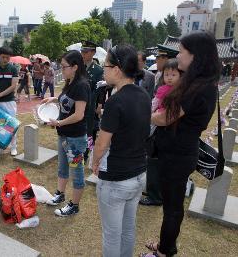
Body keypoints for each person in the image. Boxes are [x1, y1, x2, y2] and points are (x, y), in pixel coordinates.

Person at [141, 32, 220, 257]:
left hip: (178, 155)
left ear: (195, 56)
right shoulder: (195, 82)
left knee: (172, 209)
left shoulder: (200, 87)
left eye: (183, 51)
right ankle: (166, 245)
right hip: (175, 151)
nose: (179, 55)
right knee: (171, 206)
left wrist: (145, 113)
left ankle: (165, 252)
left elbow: (166, 117)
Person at [92, 45, 150, 257]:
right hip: (138, 175)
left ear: (116, 69)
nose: (103, 71)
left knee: (112, 234)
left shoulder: (115, 101)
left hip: (116, 178)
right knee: (127, 229)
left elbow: (101, 143)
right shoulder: (143, 94)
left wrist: (94, 162)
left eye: (105, 66)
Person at [44, 50, 90, 217]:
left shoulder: (82, 85)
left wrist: (59, 122)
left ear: (75, 67)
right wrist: (53, 99)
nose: (62, 70)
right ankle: (60, 193)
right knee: (62, 167)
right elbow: (66, 99)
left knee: (76, 170)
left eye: (64, 67)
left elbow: (79, 114)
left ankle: (74, 205)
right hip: (63, 135)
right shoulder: (70, 82)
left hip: (75, 139)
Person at [139, 45, 179, 207]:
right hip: (156, 124)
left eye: (160, 57)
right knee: (153, 160)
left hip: (162, 128)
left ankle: (155, 195)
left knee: (155, 161)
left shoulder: (176, 89)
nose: (156, 60)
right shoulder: (160, 77)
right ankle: (154, 191)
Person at [0, 46, 19, 156]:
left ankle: (13, 147)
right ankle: (0, 148)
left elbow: (13, 86)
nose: (5, 60)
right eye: (3, 57)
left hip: (9, 101)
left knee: (11, 124)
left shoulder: (13, 69)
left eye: (7, 58)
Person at [80, 40, 104, 161]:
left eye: (86, 51)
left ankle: (86, 153)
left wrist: (98, 104)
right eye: (82, 51)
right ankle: (78, 151)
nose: (83, 54)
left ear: (93, 53)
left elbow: (99, 89)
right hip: (78, 105)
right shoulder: (79, 68)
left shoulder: (98, 70)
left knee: (90, 131)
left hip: (90, 106)